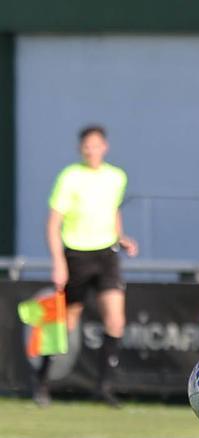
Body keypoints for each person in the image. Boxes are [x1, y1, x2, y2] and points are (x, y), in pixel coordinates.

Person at [38, 125, 138, 407]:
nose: (91, 150)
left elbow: (113, 210)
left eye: (95, 145)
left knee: (115, 320)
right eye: (86, 146)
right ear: (80, 148)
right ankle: (42, 380)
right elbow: (53, 223)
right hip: (77, 256)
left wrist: (121, 237)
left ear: (104, 147)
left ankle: (103, 386)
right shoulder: (70, 177)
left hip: (106, 255)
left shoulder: (116, 176)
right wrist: (58, 262)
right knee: (66, 323)